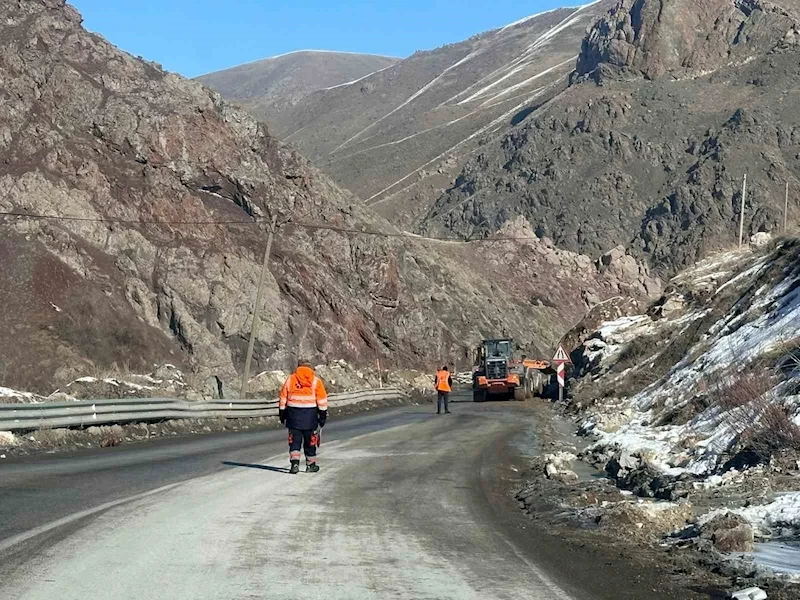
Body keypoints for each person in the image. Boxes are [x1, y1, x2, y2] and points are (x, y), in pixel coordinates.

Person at [279, 361, 329, 474]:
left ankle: (294, 464)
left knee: (294, 442)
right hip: (310, 418)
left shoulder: (291, 379)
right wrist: (322, 417)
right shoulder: (316, 381)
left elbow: (283, 398)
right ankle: (310, 465)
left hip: (293, 416)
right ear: (310, 368)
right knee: (310, 442)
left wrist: (282, 414)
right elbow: (322, 401)